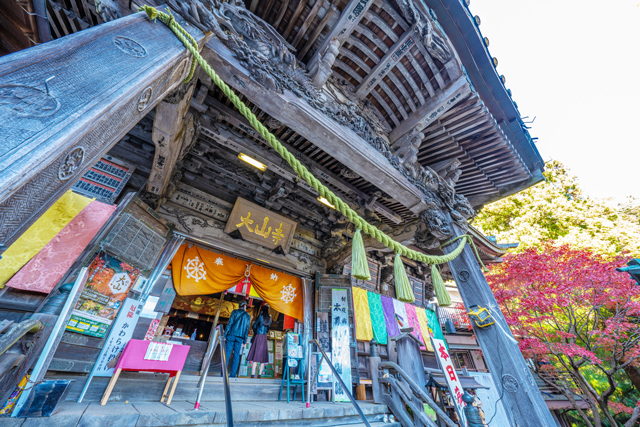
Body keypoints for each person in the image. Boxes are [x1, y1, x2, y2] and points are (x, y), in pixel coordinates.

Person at [224, 300, 250, 377]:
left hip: (231, 335)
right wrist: (245, 341)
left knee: (227, 354)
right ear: (244, 306)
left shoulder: (234, 312)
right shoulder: (247, 315)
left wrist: (225, 335)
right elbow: (247, 328)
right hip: (239, 338)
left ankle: (223, 374)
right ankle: (233, 375)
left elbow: (229, 324)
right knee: (236, 356)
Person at [247, 304, 272, 378]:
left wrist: (256, 331)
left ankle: (252, 374)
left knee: (256, 355)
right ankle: (260, 375)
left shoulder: (260, 316)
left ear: (262, 310)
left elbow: (254, 325)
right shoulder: (269, 319)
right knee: (263, 357)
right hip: (264, 337)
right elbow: (268, 329)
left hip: (258, 336)